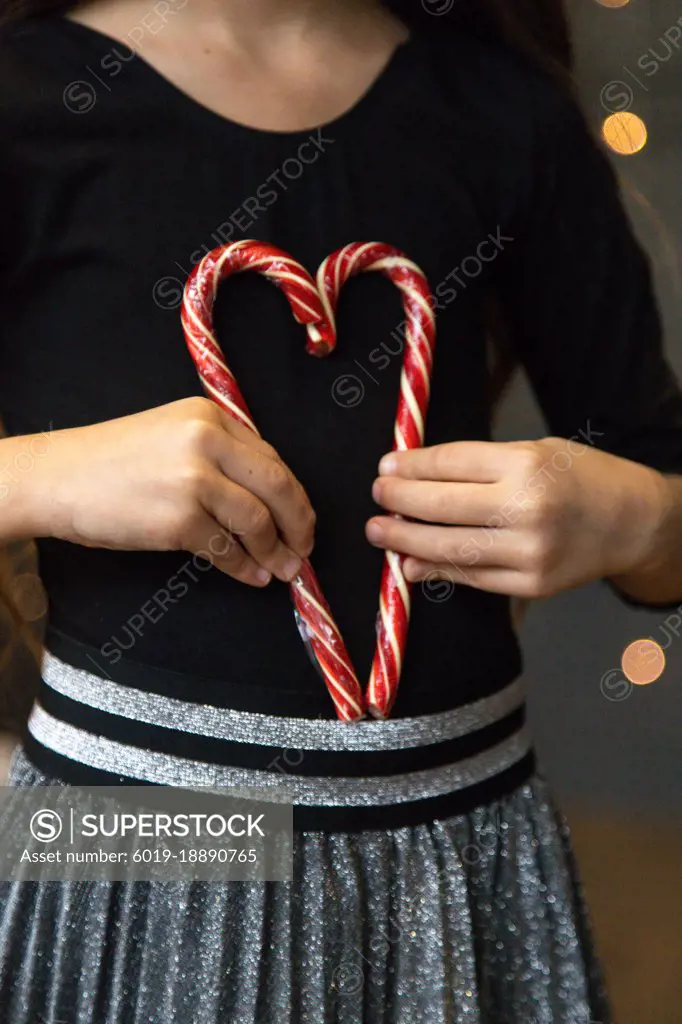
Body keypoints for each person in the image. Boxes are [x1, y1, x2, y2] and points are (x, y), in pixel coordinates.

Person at [0, 0, 681, 1021]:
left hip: (464, 849)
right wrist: (46, 475)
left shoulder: (497, 104)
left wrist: (642, 520)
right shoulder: (26, 99)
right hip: (129, 834)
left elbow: (658, 518)